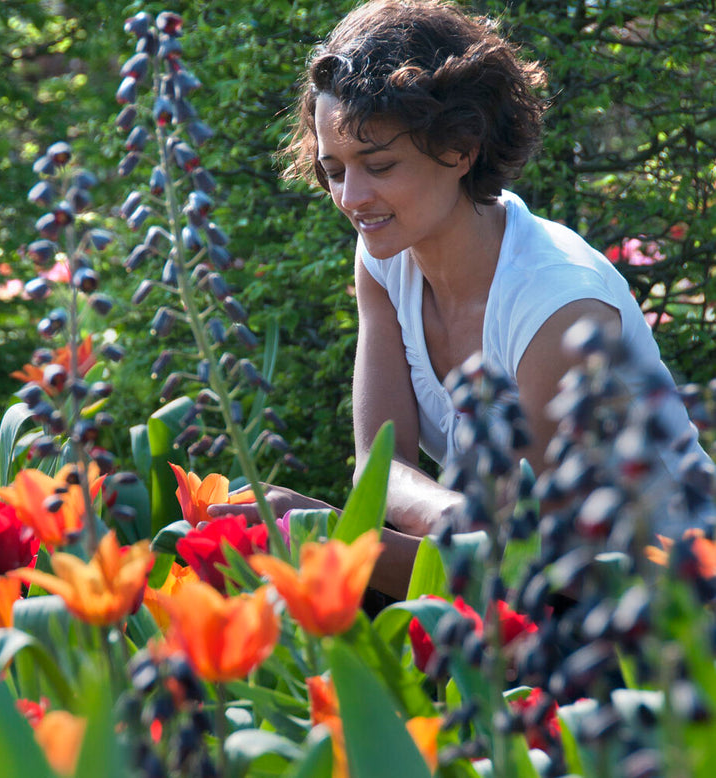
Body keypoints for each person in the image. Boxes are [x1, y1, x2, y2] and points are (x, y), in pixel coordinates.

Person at [209, 0, 710, 599]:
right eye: (335, 170)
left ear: (461, 147)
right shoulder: (385, 260)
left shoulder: (560, 305)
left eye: (380, 164)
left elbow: (513, 557)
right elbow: (382, 471)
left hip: (668, 616)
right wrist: (323, 532)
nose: (352, 197)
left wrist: (319, 539)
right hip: (544, 599)